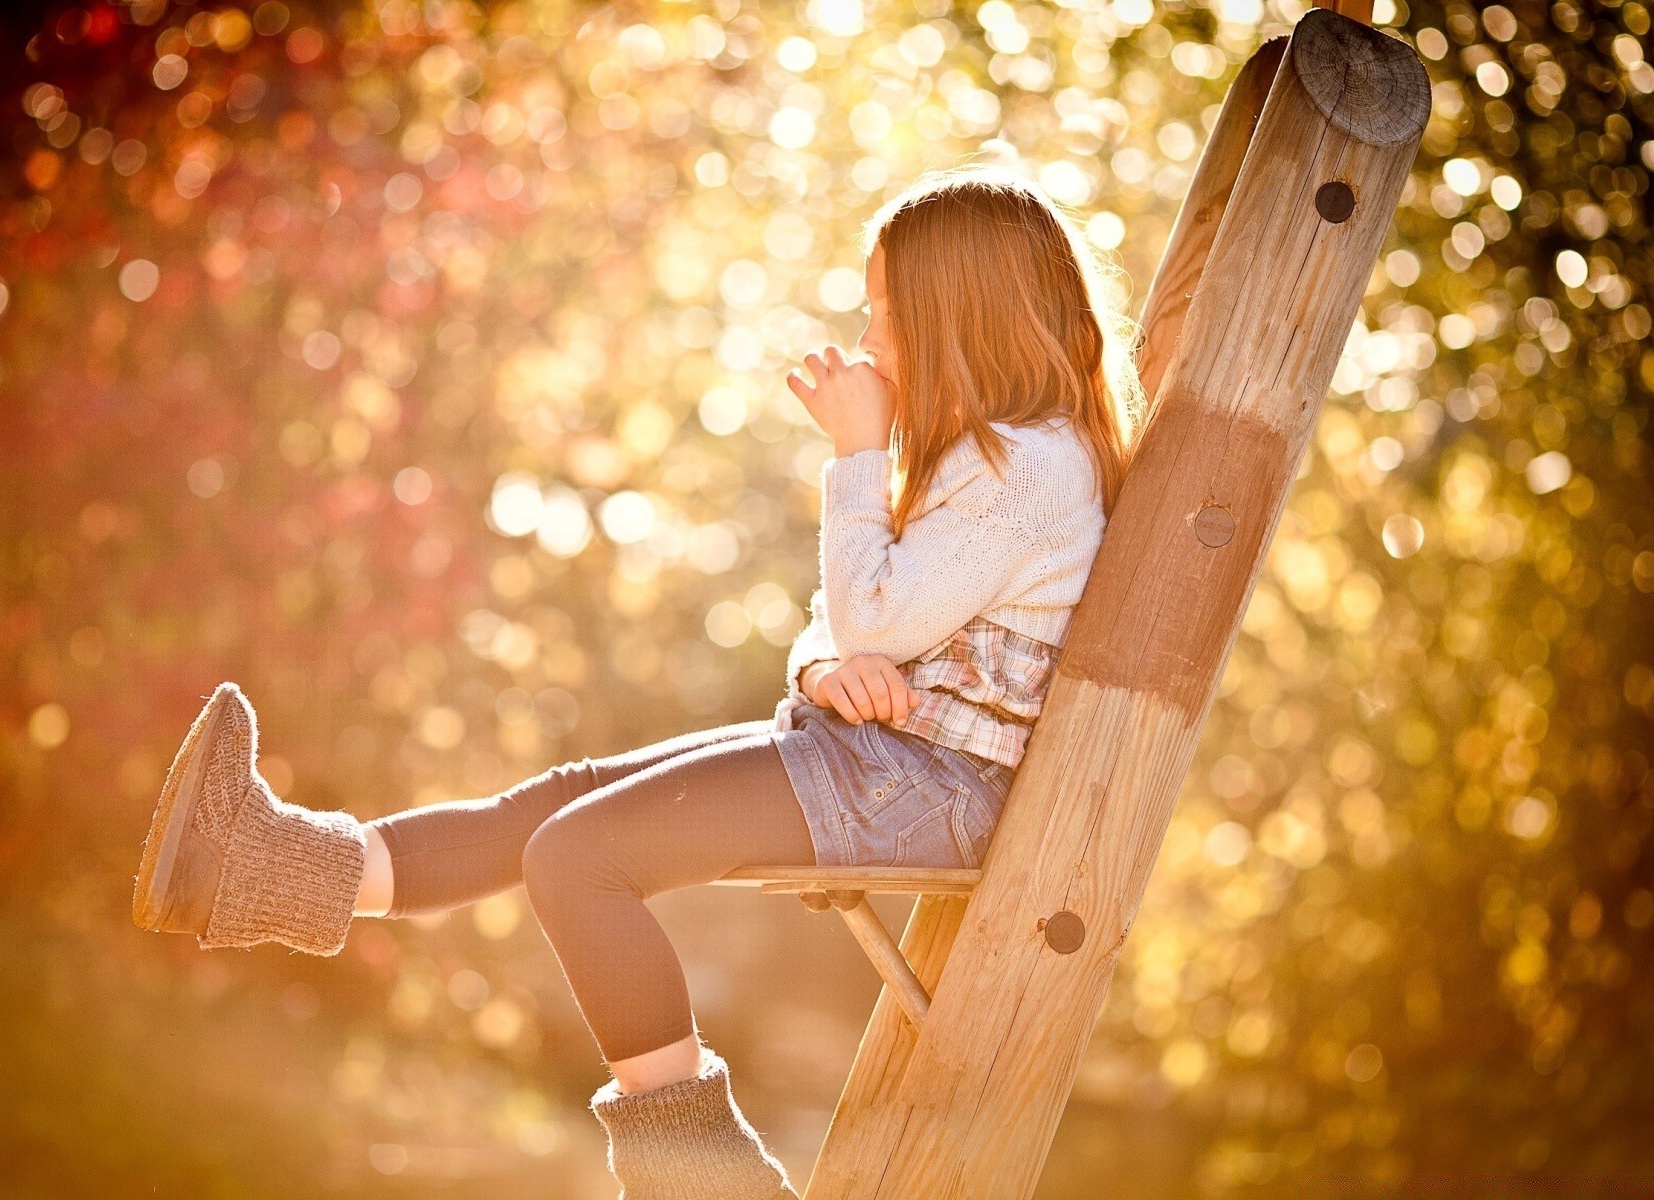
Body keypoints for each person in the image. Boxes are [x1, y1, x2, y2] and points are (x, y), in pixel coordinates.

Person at [130, 163, 1142, 1200]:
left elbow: (873, 606)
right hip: (879, 760)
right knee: (559, 803)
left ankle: (699, 1181)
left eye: (887, 313)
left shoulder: (1034, 468)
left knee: (578, 858)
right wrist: (829, 665)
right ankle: (266, 867)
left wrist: (853, 456)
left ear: (960, 310)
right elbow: (842, 620)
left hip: (933, 786)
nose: (872, 340)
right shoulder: (983, 459)